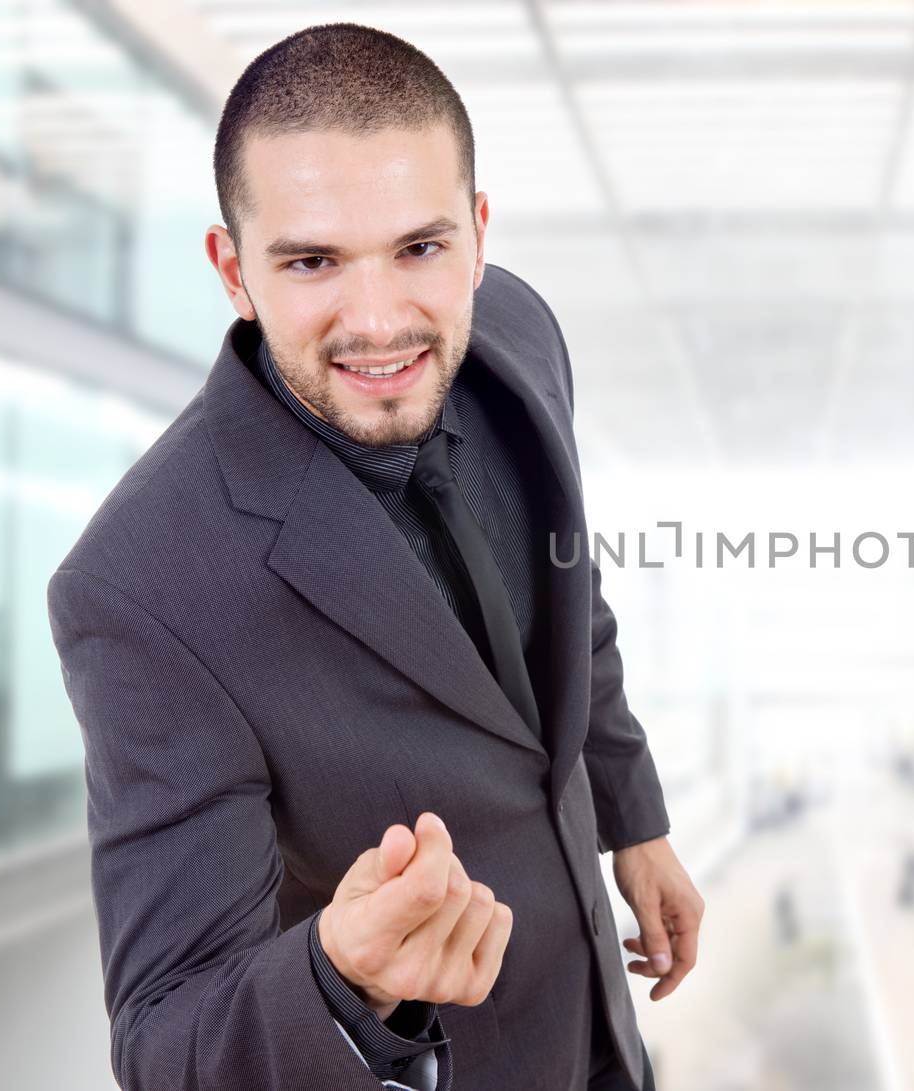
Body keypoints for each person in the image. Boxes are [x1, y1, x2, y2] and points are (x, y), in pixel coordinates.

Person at [44, 22, 703, 1091]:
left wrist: (635, 820)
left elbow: (569, 601)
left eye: (420, 247)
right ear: (234, 270)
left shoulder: (520, 335)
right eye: (311, 261)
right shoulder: (140, 587)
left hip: (603, 1030)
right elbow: (165, 1042)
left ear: (479, 236)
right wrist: (339, 974)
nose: (380, 320)